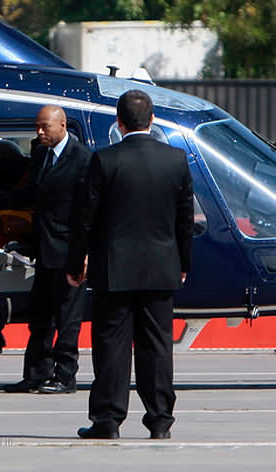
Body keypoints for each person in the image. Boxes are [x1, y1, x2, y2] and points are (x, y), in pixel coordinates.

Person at [67, 89, 194, 439]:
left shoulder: (104, 160)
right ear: (151, 120)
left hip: (114, 267)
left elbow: (85, 220)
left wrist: (76, 262)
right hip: (161, 267)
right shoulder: (176, 160)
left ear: (119, 122)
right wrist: (183, 261)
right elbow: (185, 220)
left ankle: (108, 419)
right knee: (157, 345)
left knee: (112, 345)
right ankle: (160, 421)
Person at [4, 105, 92, 394]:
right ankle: (36, 373)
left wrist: (84, 254)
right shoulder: (41, 154)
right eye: (37, 126)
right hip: (43, 249)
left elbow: (87, 211)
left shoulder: (82, 158)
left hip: (70, 251)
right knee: (40, 314)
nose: (40, 132)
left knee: (68, 317)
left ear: (62, 126)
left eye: (46, 127)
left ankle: (65, 375)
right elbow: (30, 193)